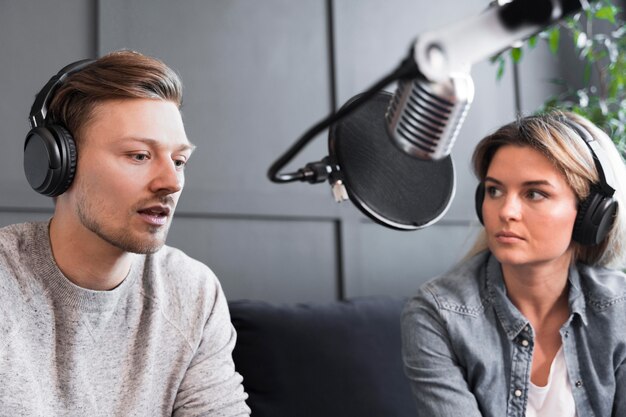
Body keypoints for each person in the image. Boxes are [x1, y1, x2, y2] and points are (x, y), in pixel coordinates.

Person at [0, 50, 250, 416]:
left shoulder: (193, 291)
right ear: (58, 164)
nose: (171, 182)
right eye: (139, 155)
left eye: (179, 160)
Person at [401, 111, 626, 417]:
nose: (506, 211)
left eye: (534, 193)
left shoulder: (620, 309)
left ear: (592, 215)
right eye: (494, 190)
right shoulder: (438, 314)